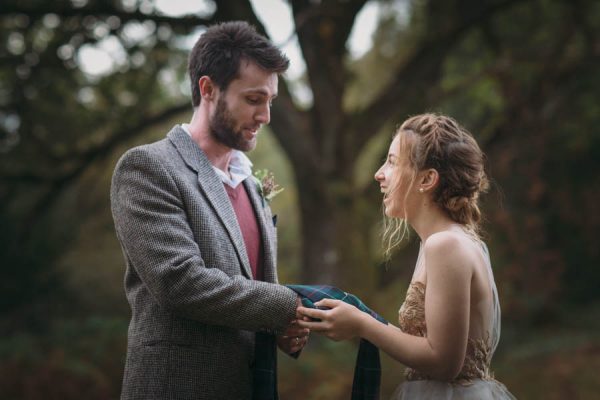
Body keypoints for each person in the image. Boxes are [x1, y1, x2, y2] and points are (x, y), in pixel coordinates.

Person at [110, 21, 308, 400]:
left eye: (270, 101)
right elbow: (179, 281)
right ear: (208, 89)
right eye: (253, 99)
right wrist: (285, 306)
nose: (265, 115)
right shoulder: (148, 167)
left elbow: (254, 286)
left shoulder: (251, 184)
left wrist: (287, 329)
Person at [297, 113, 516, 399]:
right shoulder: (437, 242)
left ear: (426, 179)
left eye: (391, 162)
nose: (379, 174)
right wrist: (355, 316)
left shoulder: (445, 245)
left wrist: (363, 325)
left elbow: (444, 363)